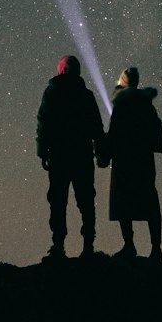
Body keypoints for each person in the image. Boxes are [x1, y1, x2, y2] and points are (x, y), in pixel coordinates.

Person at [36, 54, 108, 262]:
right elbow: (96, 126)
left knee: (58, 201)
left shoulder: (52, 92)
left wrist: (43, 151)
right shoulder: (86, 95)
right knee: (86, 201)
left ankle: (58, 247)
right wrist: (101, 153)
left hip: (59, 155)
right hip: (82, 156)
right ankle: (88, 247)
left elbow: (43, 123)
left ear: (61, 70)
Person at [107, 67, 162, 262]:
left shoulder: (121, 104)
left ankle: (129, 246)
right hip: (144, 160)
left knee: (123, 201)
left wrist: (105, 154)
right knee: (149, 201)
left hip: (124, 159)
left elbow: (114, 131)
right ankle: (156, 249)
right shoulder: (147, 104)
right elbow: (156, 130)